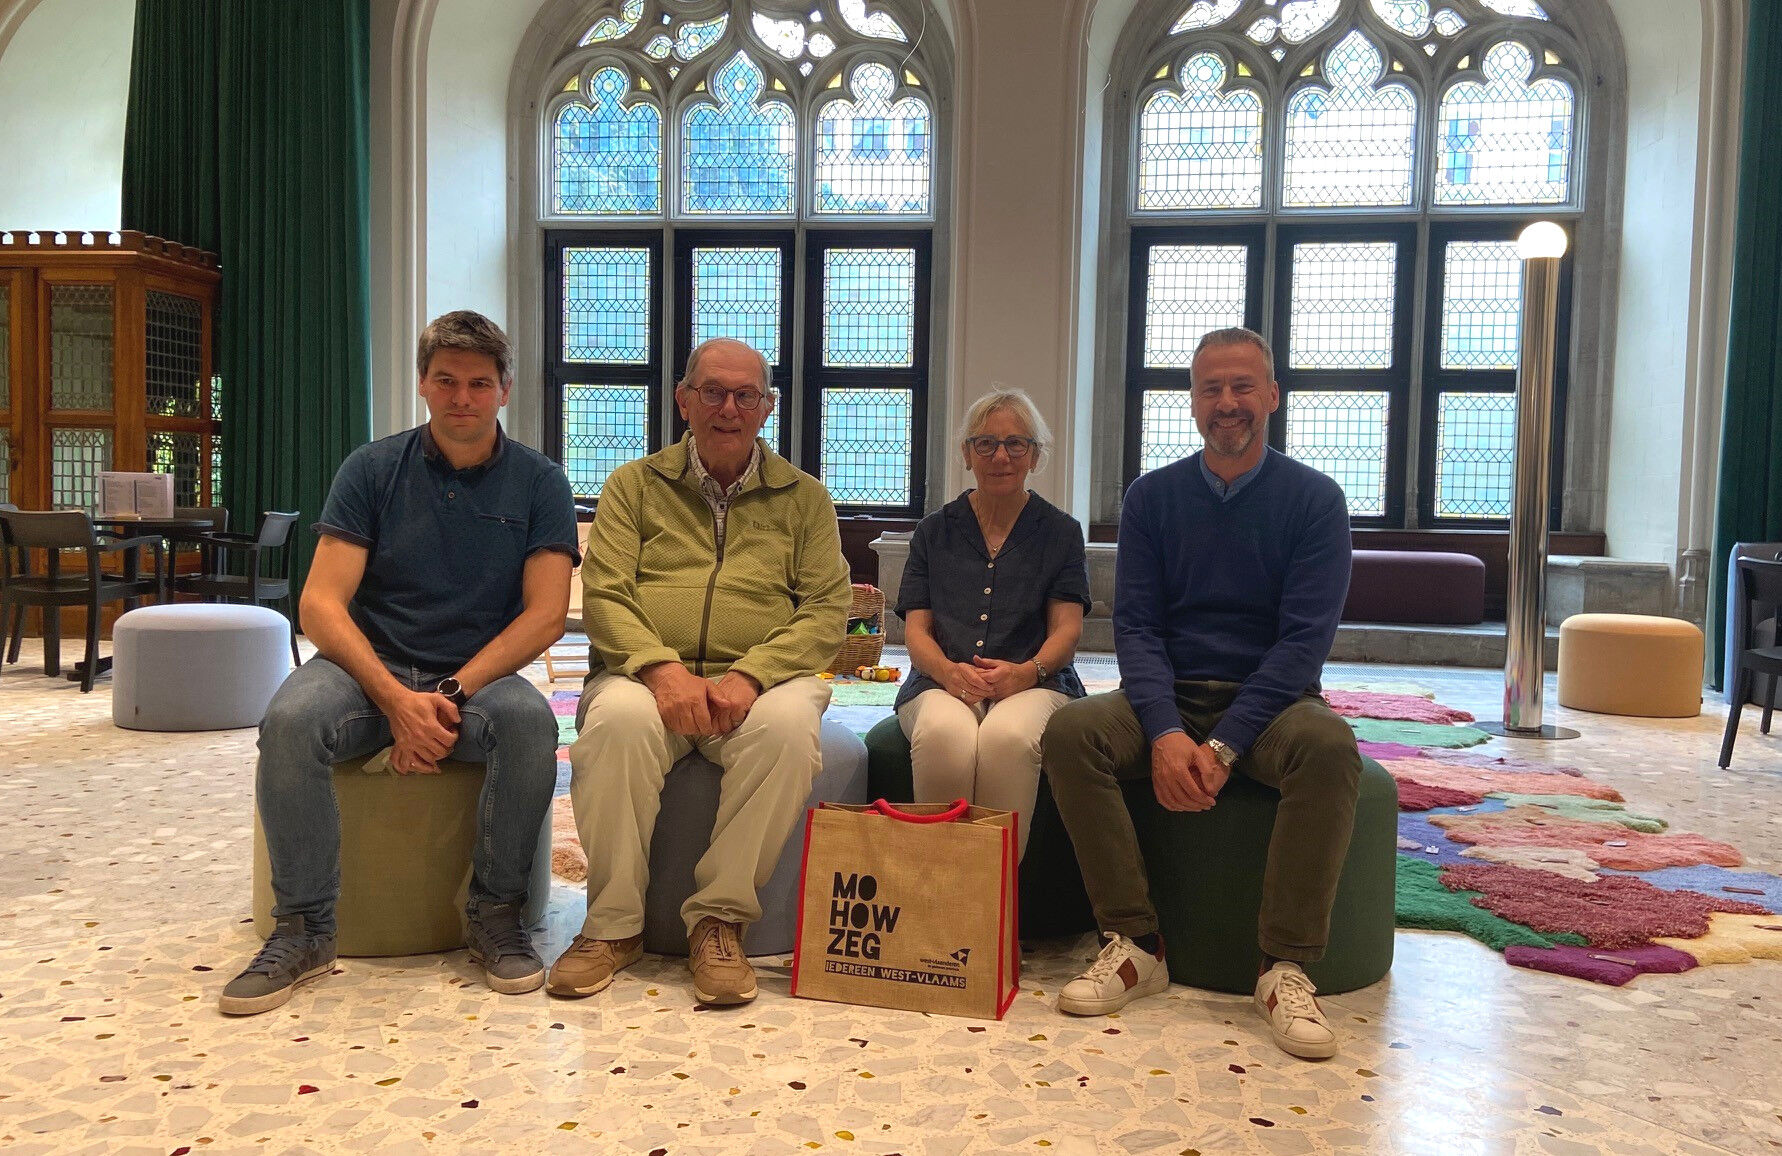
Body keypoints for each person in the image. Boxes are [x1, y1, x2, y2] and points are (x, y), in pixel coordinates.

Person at [220, 310, 579, 1015]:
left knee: (531, 725)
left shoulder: (540, 482)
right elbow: (320, 604)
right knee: (289, 720)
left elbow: (544, 617)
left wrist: (447, 693)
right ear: (422, 383)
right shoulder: (372, 469)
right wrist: (394, 701)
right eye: (445, 380)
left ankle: (496, 915)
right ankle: (304, 929)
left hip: (475, 677)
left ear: (505, 389)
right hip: (366, 670)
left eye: (479, 383)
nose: (461, 398)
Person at [1041, 327, 1361, 1061]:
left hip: (1273, 705)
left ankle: (1283, 967)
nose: (1227, 402)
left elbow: (1302, 643)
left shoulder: (1314, 500)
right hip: (1170, 695)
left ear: (1272, 396)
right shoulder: (1152, 498)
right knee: (1071, 732)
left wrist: (1222, 745)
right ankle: (1136, 943)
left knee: (1330, 747)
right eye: (1211, 388)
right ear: (1191, 402)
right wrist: (1163, 732)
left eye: (1242, 386)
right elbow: (1137, 627)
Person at [549, 337, 851, 1006]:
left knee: (787, 730)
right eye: (712, 392)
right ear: (683, 400)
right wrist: (662, 672)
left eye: (746, 395)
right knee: (616, 725)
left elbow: (826, 611)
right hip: (643, 678)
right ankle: (612, 926)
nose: (728, 408)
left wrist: (751, 676)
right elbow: (605, 596)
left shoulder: (804, 498)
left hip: (760, 684)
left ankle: (719, 922)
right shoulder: (634, 486)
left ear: (768, 407)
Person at [895, 389, 1089, 856]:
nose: (1001, 456)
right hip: (940, 681)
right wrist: (948, 672)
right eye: (986, 443)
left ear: (1035, 455)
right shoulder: (933, 531)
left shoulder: (1061, 532)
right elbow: (916, 631)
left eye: (1016, 443)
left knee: (1008, 738)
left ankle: (995, 894)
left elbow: (1066, 630)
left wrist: (1025, 673)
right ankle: (938, 885)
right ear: (967, 453)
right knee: (944, 736)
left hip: (1037, 682)